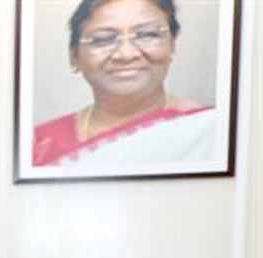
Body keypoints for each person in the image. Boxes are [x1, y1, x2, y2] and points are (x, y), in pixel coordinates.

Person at [33, 0, 217, 167]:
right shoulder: (39, 146)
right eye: (103, 39)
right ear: (74, 57)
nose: (126, 55)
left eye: (147, 35)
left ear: (172, 45)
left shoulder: (210, 131)